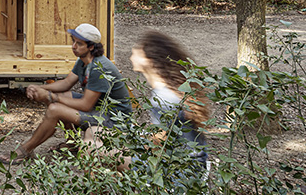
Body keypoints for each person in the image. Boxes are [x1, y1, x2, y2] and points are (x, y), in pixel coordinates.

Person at [15, 23, 132, 158]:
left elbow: (85, 105)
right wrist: (39, 88)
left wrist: (50, 96)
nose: (74, 46)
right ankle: (73, 142)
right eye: (73, 41)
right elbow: (66, 83)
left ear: (91, 46)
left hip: (113, 120)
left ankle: (26, 150)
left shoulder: (99, 68)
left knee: (55, 109)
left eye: (79, 44)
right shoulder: (83, 60)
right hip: (98, 109)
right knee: (60, 97)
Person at [128, 30, 210, 169]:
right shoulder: (172, 90)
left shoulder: (164, 97)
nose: (132, 53)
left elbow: (158, 144)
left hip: (179, 172)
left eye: (138, 51)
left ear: (149, 60)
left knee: (99, 152)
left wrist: (128, 141)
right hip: (191, 164)